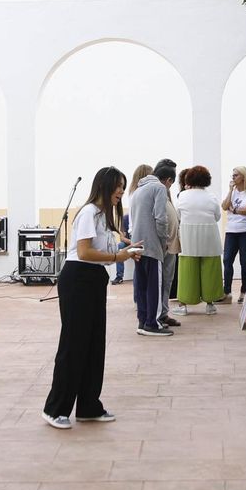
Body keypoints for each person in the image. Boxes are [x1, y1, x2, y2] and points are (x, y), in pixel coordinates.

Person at [42, 167, 140, 428]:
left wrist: (126, 250)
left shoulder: (103, 216)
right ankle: (55, 409)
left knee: (94, 345)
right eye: (117, 186)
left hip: (95, 278)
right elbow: (84, 252)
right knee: (74, 344)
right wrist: (117, 257)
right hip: (78, 279)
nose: (120, 191)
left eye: (122, 186)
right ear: (104, 186)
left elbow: (101, 250)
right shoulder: (88, 212)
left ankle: (88, 406)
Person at [129, 160, 174, 336]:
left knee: (142, 286)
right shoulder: (159, 188)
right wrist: (164, 241)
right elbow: (161, 218)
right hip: (152, 245)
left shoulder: (138, 190)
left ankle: (143, 322)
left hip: (137, 245)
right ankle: (152, 324)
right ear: (168, 180)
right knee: (154, 286)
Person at [174, 166, 224, 314]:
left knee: (187, 271)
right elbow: (217, 216)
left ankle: (183, 306)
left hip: (189, 237)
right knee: (210, 270)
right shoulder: (211, 197)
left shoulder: (182, 196)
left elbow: (178, 216)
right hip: (209, 236)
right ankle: (210, 305)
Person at [221, 165, 246, 302]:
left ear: (243, 176)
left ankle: (244, 292)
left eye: (236, 175)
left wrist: (234, 210)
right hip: (231, 230)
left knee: (244, 261)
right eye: (233, 175)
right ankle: (227, 292)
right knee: (227, 260)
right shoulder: (233, 191)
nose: (233, 177)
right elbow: (224, 206)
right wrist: (230, 190)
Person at [158, 158, 181, 328]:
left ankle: (164, 313)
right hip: (163, 244)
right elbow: (159, 218)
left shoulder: (165, 192)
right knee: (160, 282)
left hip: (170, 244)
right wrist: (163, 239)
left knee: (167, 281)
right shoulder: (157, 191)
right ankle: (158, 315)